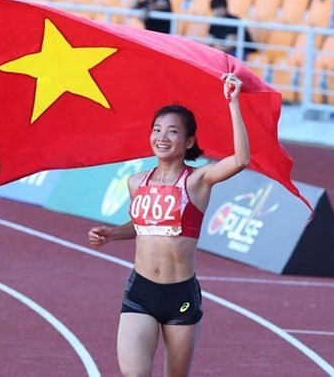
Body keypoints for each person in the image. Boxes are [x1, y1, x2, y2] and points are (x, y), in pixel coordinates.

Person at [87, 73, 249, 377]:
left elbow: (241, 159)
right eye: (157, 129)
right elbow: (144, 226)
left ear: (188, 141)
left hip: (180, 296)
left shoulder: (198, 180)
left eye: (172, 131)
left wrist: (234, 103)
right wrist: (113, 233)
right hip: (140, 292)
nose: (162, 136)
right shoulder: (137, 182)